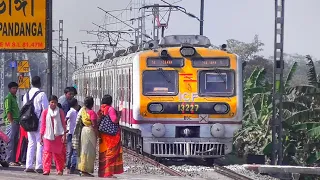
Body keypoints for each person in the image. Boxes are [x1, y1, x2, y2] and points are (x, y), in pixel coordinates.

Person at [23, 76, 49, 173]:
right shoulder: (42, 94)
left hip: (28, 122)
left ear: (31, 83)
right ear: (39, 83)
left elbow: (24, 108)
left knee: (31, 143)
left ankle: (28, 166)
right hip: (39, 122)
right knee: (40, 143)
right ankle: (39, 166)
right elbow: (46, 109)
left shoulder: (26, 95)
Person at [97, 95, 123, 178]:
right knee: (110, 153)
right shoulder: (110, 109)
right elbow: (114, 120)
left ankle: (102, 172)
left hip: (103, 134)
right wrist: (119, 115)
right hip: (111, 135)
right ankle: (108, 173)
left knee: (104, 153)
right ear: (110, 101)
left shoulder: (102, 108)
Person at [40, 95, 66, 175]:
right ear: (49, 103)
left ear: (57, 103)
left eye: (55, 102)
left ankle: (59, 170)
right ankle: (46, 170)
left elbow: (63, 124)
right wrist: (41, 135)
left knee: (58, 153)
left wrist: (64, 135)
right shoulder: (45, 112)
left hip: (58, 135)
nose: (53, 104)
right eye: (52, 102)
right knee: (47, 153)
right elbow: (43, 124)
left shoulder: (60, 111)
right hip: (47, 136)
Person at [73, 96, 98, 177]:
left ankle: (82, 168)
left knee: (84, 150)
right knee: (89, 151)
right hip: (89, 132)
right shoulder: (92, 113)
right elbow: (94, 125)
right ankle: (85, 170)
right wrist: (97, 134)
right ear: (92, 104)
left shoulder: (83, 111)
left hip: (84, 131)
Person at [3, 82, 20, 166]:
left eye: (16, 88)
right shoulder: (8, 98)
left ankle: (13, 159)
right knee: (10, 141)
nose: (15, 90)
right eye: (13, 88)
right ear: (9, 89)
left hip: (16, 121)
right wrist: (11, 122)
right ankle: (8, 159)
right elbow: (8, 110)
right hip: (11, 122)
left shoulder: (14, 97)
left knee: (15, 141)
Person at [65, 98, 78, 174]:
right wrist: (66, 128)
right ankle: (69, 166)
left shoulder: (75, 112)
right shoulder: (71, 112)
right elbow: (65, 119)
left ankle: (71, 167)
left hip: (73, 133)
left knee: (71, 151)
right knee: (72, 151)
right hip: (71, 133)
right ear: (75, 104)